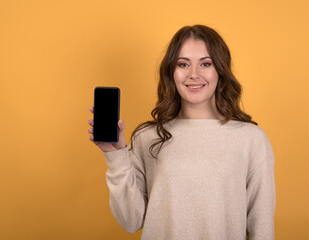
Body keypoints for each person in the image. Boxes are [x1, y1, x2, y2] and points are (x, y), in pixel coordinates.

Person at [88, 24, 276, 240]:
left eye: (205, 64)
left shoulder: (250, 139)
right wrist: (116, 156)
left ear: (220, 71)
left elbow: (262, 229)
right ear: (171, 72)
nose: (193, 74)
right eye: (183, 64)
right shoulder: (147, 137)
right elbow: (131, 221)